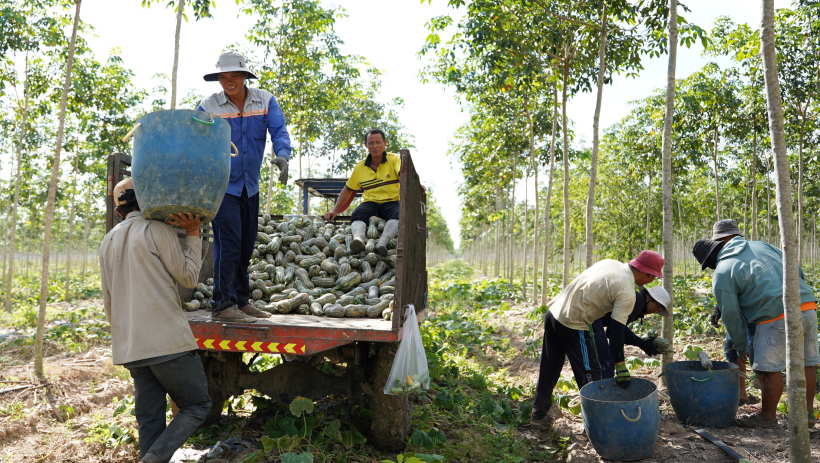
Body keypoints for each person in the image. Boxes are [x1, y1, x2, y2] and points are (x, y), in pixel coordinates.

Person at [99, 178, 212, 463]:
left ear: (119, 211)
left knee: (149, 421)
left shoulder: (107, 240)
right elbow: (187, 277)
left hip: (131, 347)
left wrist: (124, 338)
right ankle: (154, 458)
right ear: (150, 201)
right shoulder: (156, 230)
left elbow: (109, 300)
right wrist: (193, 233)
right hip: (167, 343)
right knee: (197, 405)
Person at [198, 50, 292, 322]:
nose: (229, 81)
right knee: (230, 243)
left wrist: (283, 155)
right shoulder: (209, 106)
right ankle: (222, 304)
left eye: (234, 75)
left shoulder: (265, 100)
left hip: (250, 187)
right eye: (223, 76)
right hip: (222, 187)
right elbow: (194, 137)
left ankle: (240, 300)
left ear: (244, 76)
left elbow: (279, 131)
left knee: (246, 244)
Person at [693, 233, 819, 428]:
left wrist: (741, 345)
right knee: (805, 364)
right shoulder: (761, 245)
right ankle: (807, 415)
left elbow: (731, 316)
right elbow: (796, 269)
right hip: (806, 305)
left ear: (711, 261)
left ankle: (767, 418)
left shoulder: (722, 271)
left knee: (770, 370)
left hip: (773, 315)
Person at [530, 250, 667, 429]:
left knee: (550, 366)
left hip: (554, 312)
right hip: (574, 322)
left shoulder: (611, 263)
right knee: (593, 380)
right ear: (647, 273)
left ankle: (538, 415)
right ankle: (601, 427)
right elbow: (616, 330)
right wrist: (621, 365)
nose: (651, 282)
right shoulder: (627, 291)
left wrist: (639, 344)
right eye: (653, 277)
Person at [322, 129, 401, 256]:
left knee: (398, 214)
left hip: (392, 201)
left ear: (384, 143)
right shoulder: (360, 167)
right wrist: (335, 210)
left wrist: (417, 184)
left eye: (378, 142)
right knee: (358, 213)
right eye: (371, 143)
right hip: (371, 202)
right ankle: (358, 240)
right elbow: (348, 190)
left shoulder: (395, 160)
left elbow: (404, 174)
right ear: (366, 145)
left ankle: (382, 243)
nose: (375, 146)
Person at [706, 219, 757, 404]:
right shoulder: (730, 256)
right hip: (740, 311)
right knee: (732, 351)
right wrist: (719, 307)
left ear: (722, 239)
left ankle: (767, 410)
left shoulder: (748, 253)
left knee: (755, 355)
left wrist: (741, 344)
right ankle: (741, 393)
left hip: (755, 314)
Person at [593, 285, 673, 378]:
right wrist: (620, 363)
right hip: (591, 318)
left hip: (595, 320)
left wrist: (642, 342)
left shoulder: (639, 303)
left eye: (659, 310)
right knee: (605, 363)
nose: (656, 310)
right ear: (648, 296)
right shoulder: (638, 301)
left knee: (606, 364)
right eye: (657, 306)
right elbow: (616, 330)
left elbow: (614, 330)